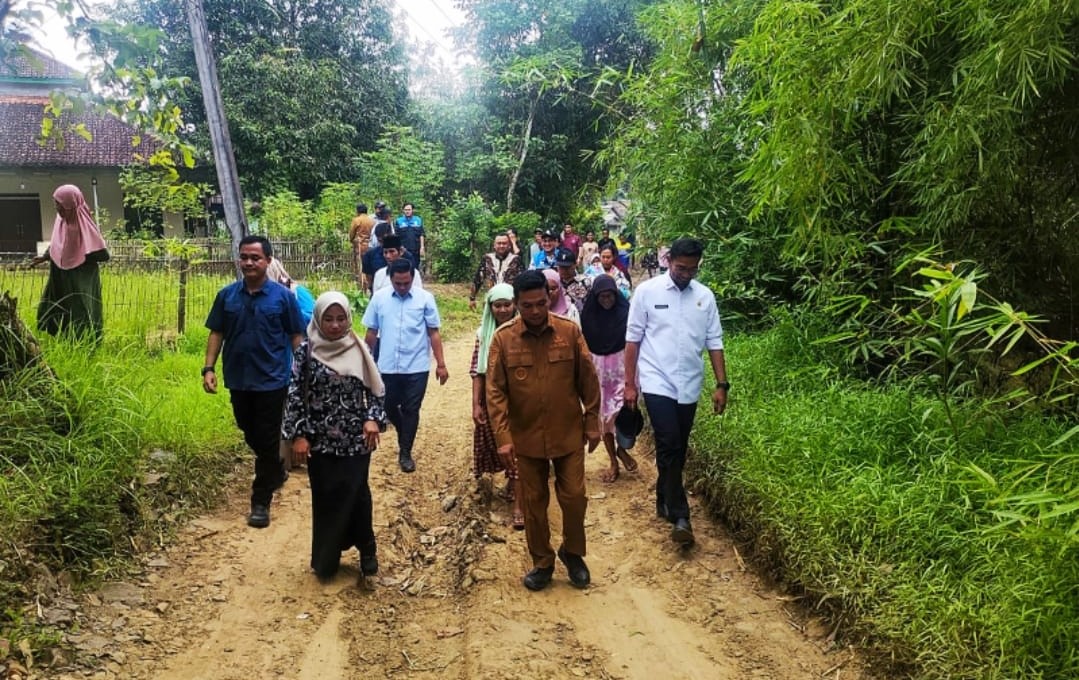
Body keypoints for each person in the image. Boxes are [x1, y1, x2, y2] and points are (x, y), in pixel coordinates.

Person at [486, 270, 601, 591]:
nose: (535, 311)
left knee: (575, 497)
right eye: (527, 306)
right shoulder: (503, 339)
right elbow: (495, 392)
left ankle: (573, 553)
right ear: (517, 304)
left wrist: (593, 420)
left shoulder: (569, 333)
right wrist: (503, 438)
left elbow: (588, 380)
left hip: (568, 433)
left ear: (549, 298)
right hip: (526, 438)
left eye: (540, 303)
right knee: (534, 501)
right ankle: (542, 561)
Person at [624, 238, 728, 548]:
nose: (686, 274)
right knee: (668, 441)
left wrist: (722, 385)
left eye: (693, 269)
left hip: (690, 383)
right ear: (669, 261)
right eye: (681, 268)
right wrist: (630, 384)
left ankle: (663, 496)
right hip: (657, 380)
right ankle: (681, 516)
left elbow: (715, 342)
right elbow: (632, 340)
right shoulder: (647, 292)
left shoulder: (705, 297)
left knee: (678, 448)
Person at [282, 292, 387, 581]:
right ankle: (326, 557)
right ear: (318, 319)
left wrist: (372, 419)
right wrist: (298, 435)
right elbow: (294, 394)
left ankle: (367, 551)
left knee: (357, 494)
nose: (335, 325)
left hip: (356, 439)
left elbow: (376, 389)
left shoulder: (360, 348)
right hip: (319, 440)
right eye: (328, 319)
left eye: (341, 319)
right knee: (326, 495)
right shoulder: (307, 350)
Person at [203, 235, 305, 528]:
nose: (248, 262)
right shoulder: (227, 296)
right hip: (239, 379)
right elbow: (216, 333)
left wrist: (303, 371)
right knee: (249, 430)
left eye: (255, 258)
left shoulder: (283, 298)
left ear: (268, 261)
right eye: (244, 257)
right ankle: (275, 468)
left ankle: (260, 502)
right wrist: (208, 368)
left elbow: (296, 336)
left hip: (273, 380)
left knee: (268, 437)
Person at [362, 258, 449, 473]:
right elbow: (371, 332)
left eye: (406, 283)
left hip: (416, 365)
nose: (402, 287)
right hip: (388, 365)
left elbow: (433, 332)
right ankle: (405, 432)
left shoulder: (425, 299)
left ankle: (405, 451)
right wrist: (364, 359)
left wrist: (441, 364)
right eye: (398, 283)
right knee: (388, 406)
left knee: (411, 409)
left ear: (412, 278)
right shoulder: (379, 299)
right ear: (390, 279)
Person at [470, 284, 524, 529]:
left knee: (520, 446)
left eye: (507, 304)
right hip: (493, 399)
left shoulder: (524, 330)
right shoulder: (483, 333)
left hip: (521, 399)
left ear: (515, 304)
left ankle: (519, 506)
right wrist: (476, 404)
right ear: (490, 307)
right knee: (500, 443)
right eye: (497, 305)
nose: (502, 310)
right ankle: (513, 483)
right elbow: (477, 372)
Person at [580, 275, 638, 483]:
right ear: (595, 297)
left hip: (623, 370)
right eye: (602, 296)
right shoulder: (587, 316)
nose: (606, 300)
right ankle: (613, 460)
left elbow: (634, 341)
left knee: (624, 414)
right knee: (604, 418)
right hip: (599, 373)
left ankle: (623, 449)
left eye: (610, 296)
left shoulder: (626, 313)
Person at [33, 184, 110, 342]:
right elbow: (57, 243)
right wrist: (46, 256)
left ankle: (85, 345)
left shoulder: (84, 225)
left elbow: (103, 254)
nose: (58, 209)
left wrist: (80, 255)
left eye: (61, 206)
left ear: (72, 206)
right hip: (60, 275)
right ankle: (62, 340)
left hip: (80, 281)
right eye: (56, 205)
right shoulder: (60, 220)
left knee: (81, 310)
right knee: (57, 306)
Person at [469, 232, 524, 310]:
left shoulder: (516, 260)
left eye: (504, 243)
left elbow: (522, 281)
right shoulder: (487, 259)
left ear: (509, 245)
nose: (501, 246)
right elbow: (478, 279)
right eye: (499, 243)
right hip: (491, 299)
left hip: (510, 301)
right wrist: (472, 298)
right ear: (494, 245)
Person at [362, 222, 394, 294]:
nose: (384, 243)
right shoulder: (370, 255)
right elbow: (368, 277)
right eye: (380, 241)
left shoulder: (405, 255)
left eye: (386, 240)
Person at [394, 203, 426, 272]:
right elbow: (396, 237)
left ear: (412, 210)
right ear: (403, 211)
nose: (407, 211)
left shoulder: (418, 220)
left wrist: (422, 247)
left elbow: (421, 234)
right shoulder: (399, 221)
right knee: (404, 269)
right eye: (405, 210)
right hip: (403, 250)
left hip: (416, 250)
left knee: (415, 268)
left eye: (409, 210)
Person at [349, 203, 374, 280]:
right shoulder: (372, 220)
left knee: (360, 265)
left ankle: (362, 283)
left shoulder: (357, 220)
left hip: (360, 245)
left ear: (358, 211)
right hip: (371, 245)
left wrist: (352, 240)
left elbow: (351, 234)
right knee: (369, 265)